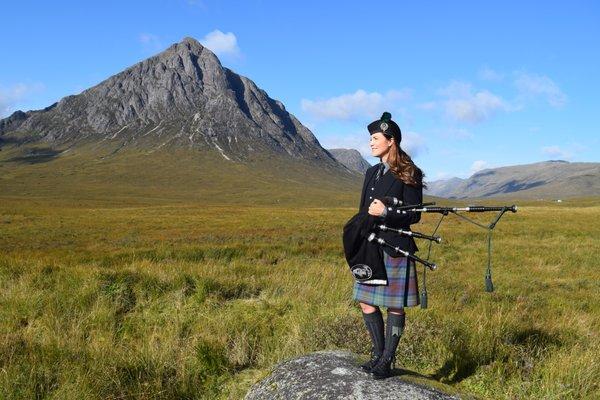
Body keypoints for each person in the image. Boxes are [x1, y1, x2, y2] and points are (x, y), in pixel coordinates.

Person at [352, 111, 425, 380]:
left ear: (391, 140)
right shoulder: (371, 172)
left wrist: (386, 212)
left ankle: (387, 360)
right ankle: (377, 354)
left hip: (395, 246)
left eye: (375, 138)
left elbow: (415, 213)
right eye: (370, 138)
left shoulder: (409, 171)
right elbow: (363, 209)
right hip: (371, 245)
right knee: (365, 302)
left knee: (394, 306)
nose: (370, 143)